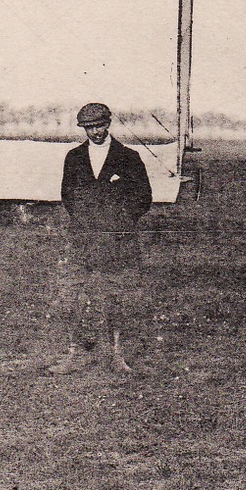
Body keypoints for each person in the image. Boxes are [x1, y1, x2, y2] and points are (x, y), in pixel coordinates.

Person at [48, 101, 153, 375]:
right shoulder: (74, 157)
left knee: (116, 296)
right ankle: (73, 355)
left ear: (109, 123)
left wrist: (118, 224)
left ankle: (117, 355)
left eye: (99, 125)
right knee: (72, 296)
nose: (95, 132)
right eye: (89, 127)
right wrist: (85, 223)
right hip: (83, 239)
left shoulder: (129, 157)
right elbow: (67, 195)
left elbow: (143, 198)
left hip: (117, 241)